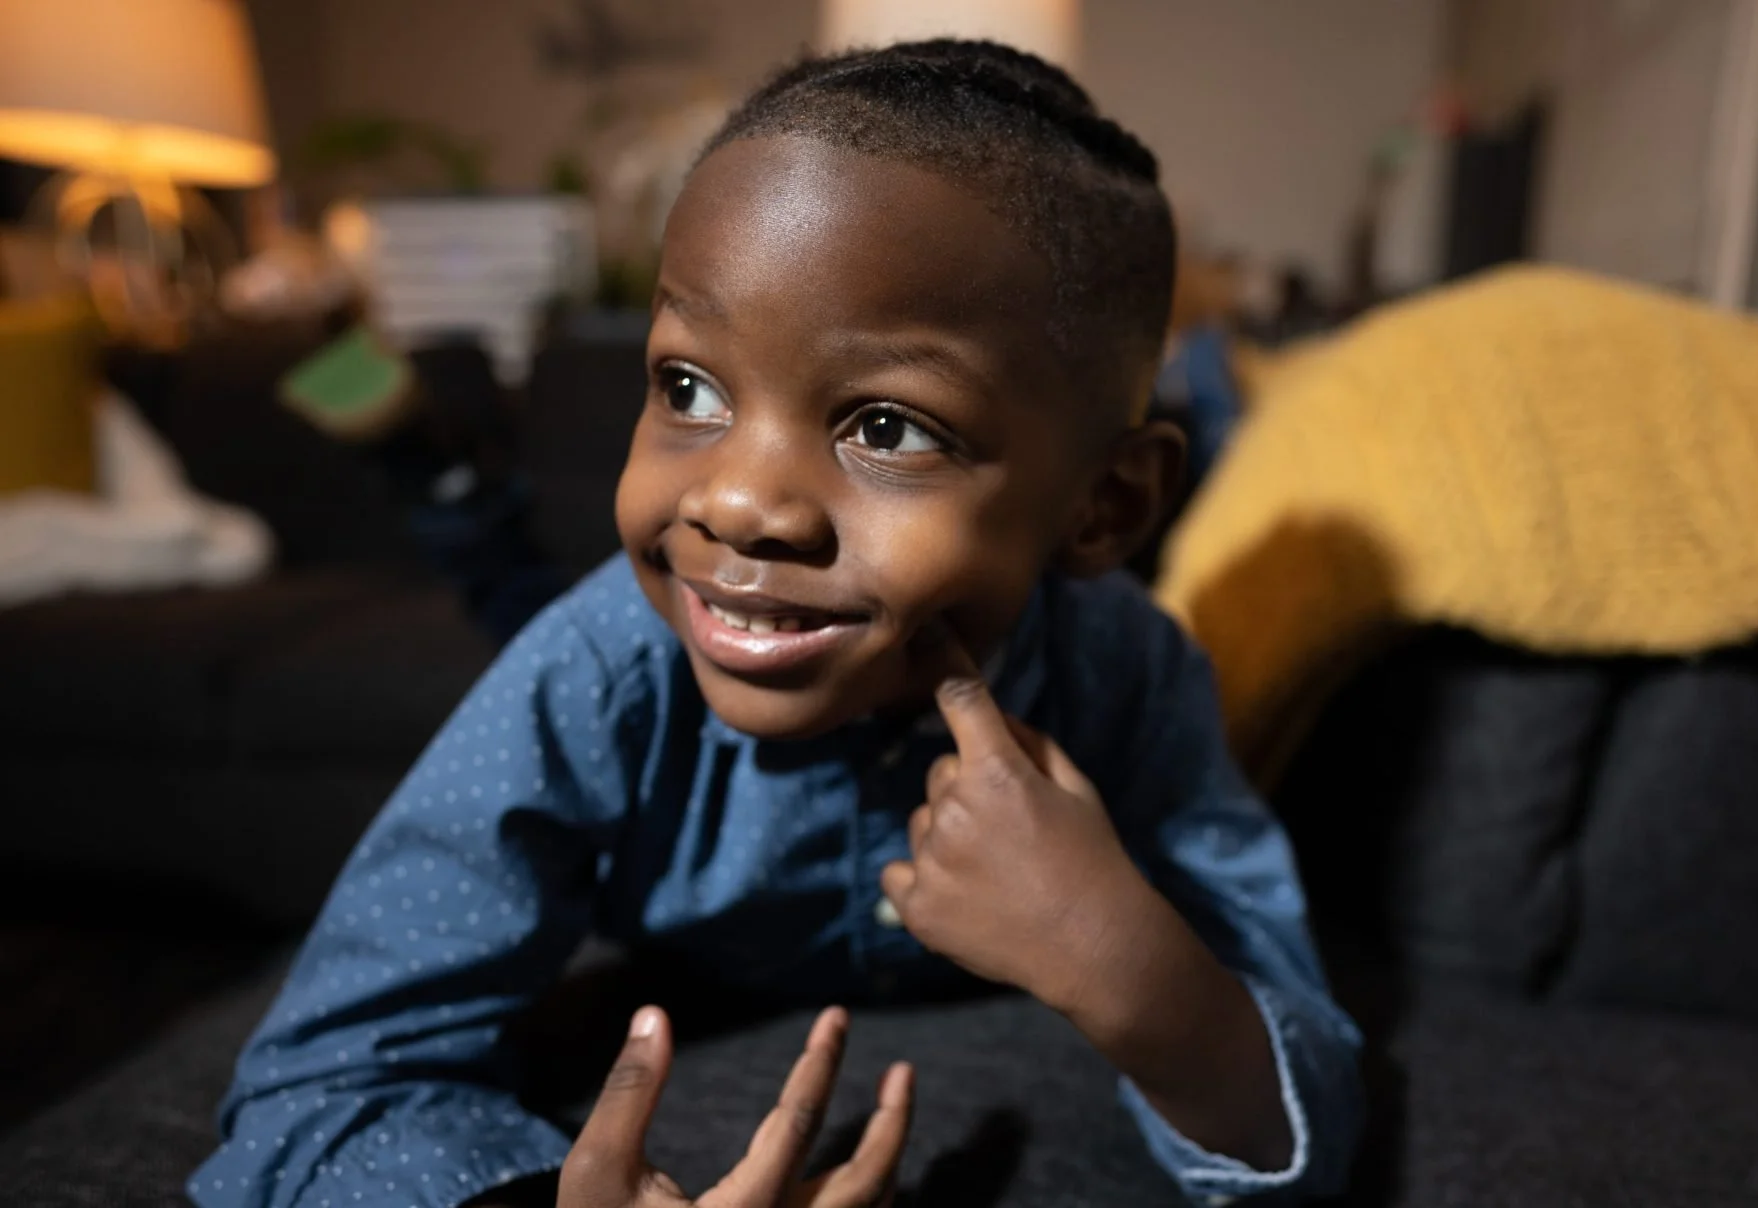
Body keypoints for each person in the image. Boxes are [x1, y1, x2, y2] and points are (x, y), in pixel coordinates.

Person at [190, 40, 1362, 1208]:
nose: (737, 501)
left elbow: (1309, 1114)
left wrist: (1121, 958)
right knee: (525, 600)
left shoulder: (1131, 677)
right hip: (650, 660)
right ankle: (449, 484)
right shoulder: (595, 672)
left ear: (1103, 506)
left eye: (889, 427)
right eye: (688, 388)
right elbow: (312, 1088)